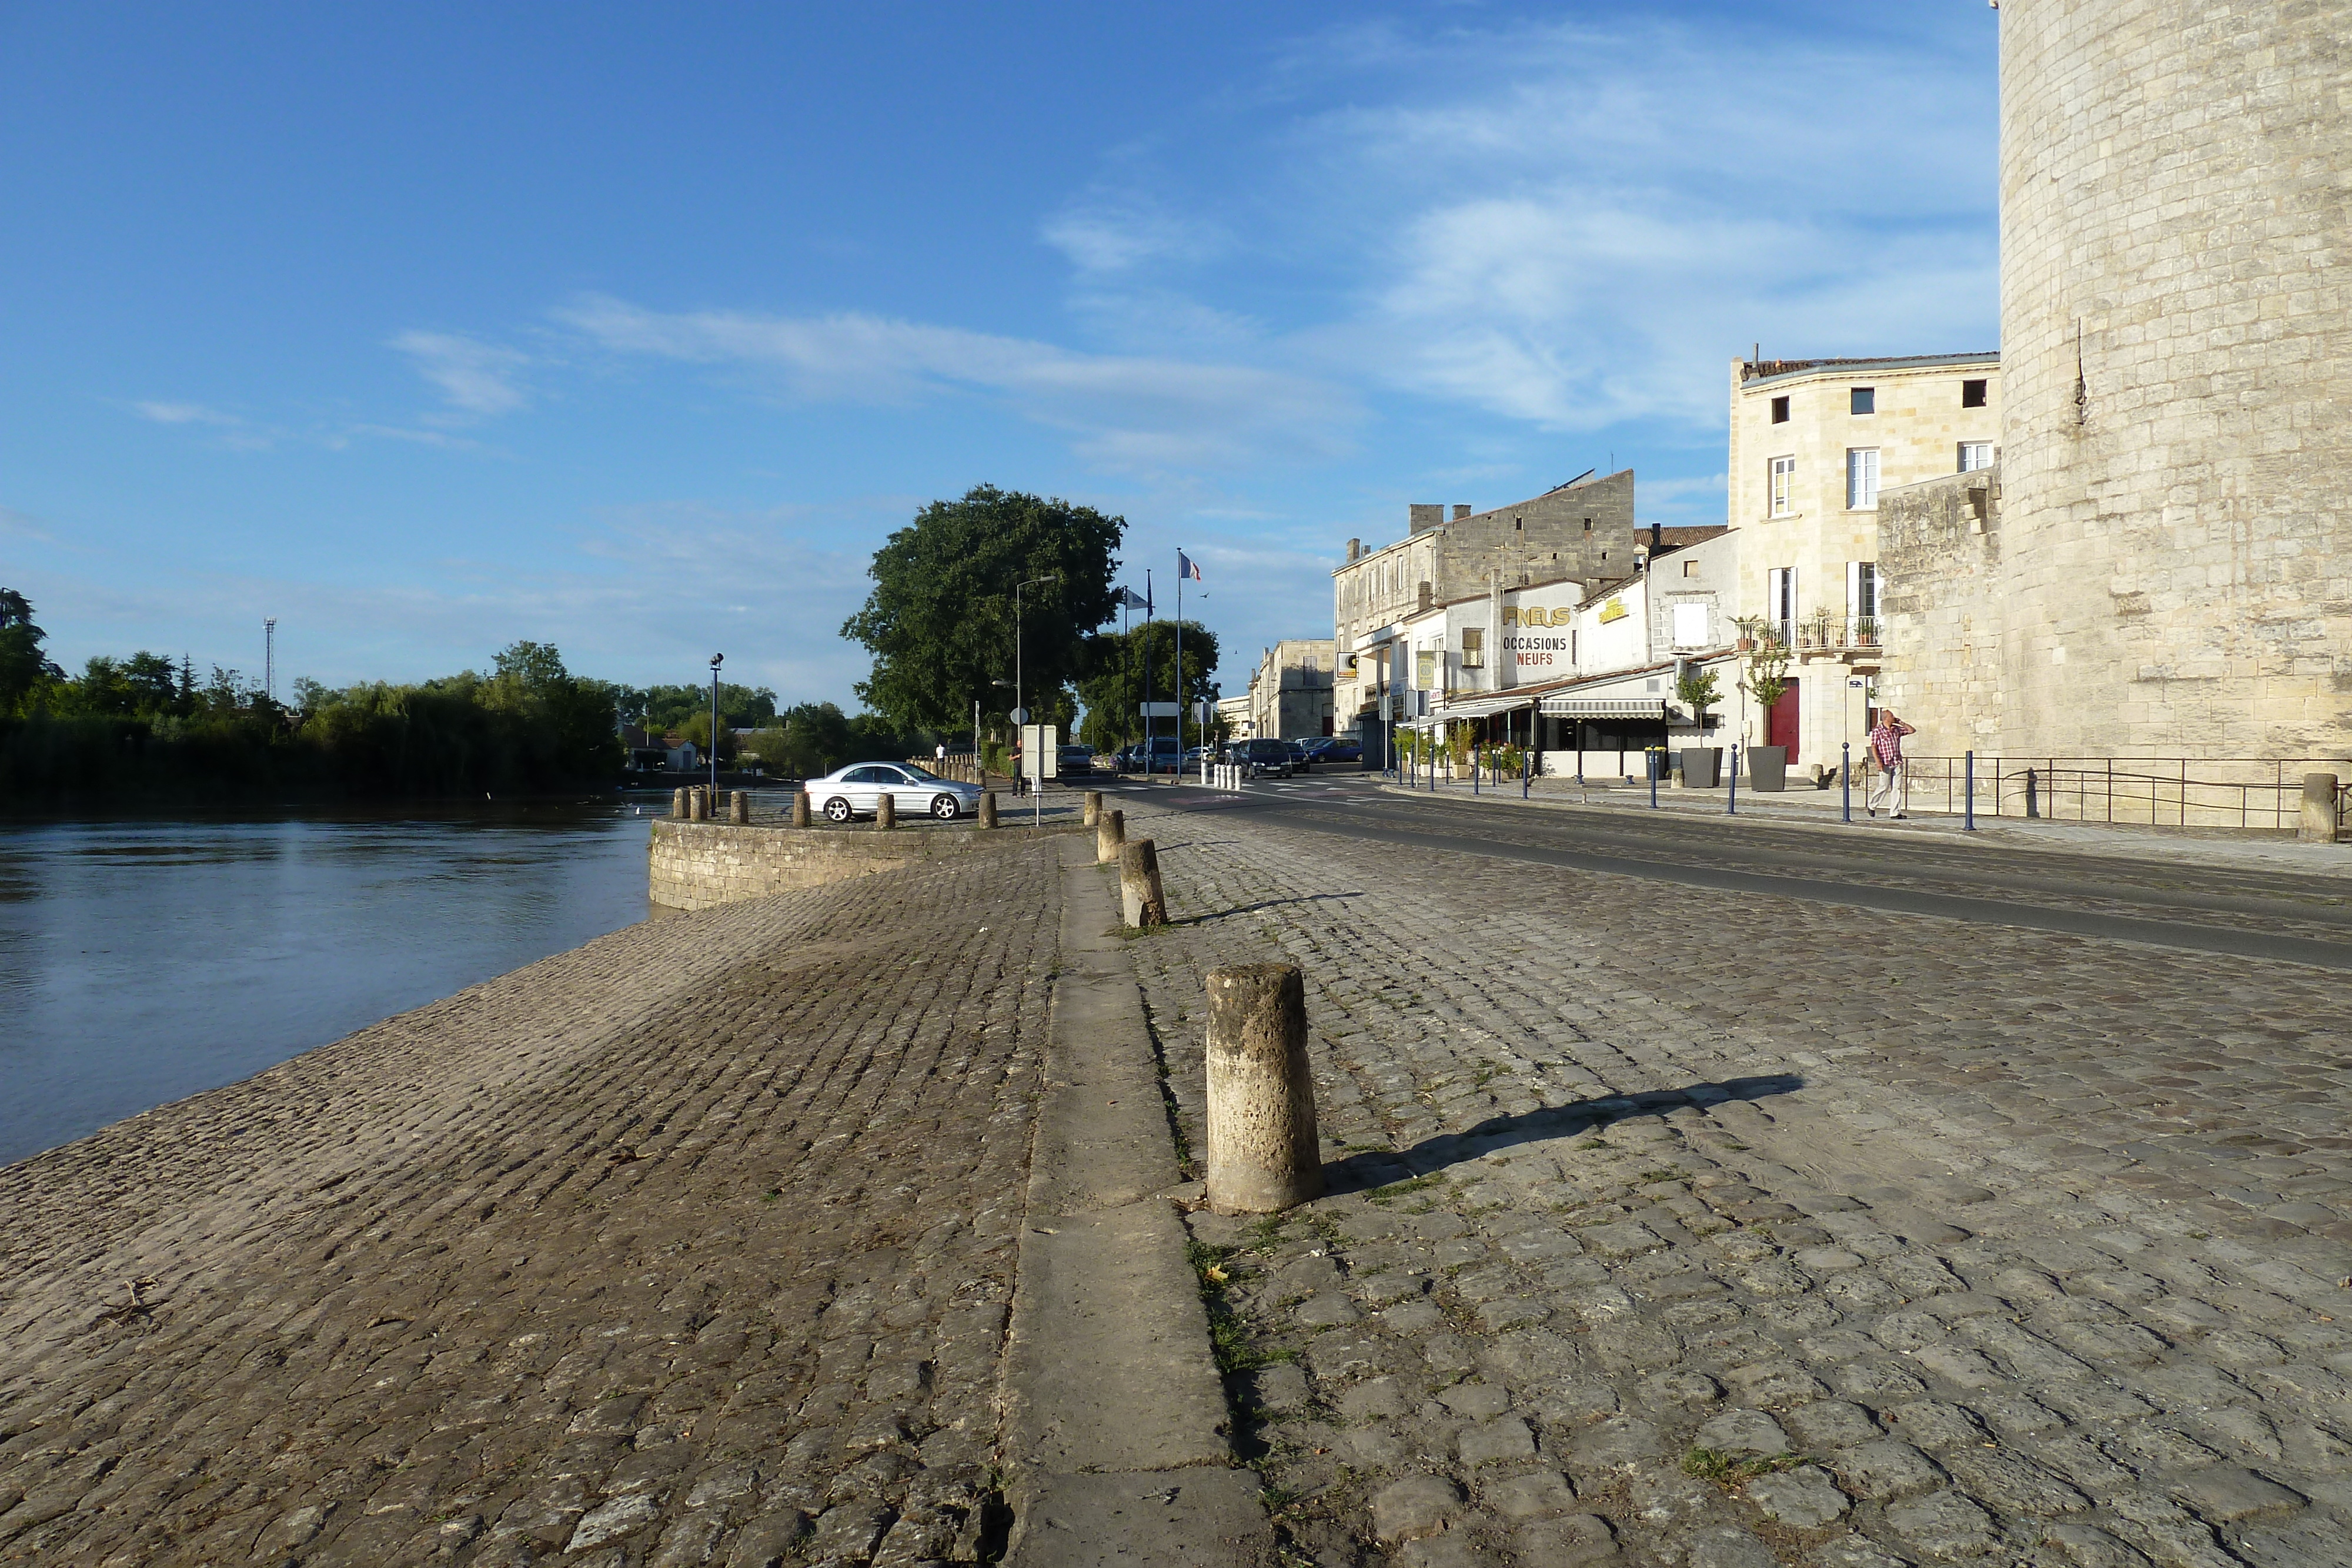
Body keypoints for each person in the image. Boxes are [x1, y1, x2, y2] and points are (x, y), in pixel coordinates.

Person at [1866, 708, 1916, 818]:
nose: (1893, 718)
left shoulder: (1896, 730)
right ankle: (1872, 805)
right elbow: (1874, 746)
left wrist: (1901, 723)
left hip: (1897, 761)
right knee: (1884, 786)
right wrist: (1878, 761)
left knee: (1897, 788)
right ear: (1886, 719)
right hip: (1885, 762)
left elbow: (1912, 730)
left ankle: (1895, 812)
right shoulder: (1878, 731)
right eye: (1891, 716)